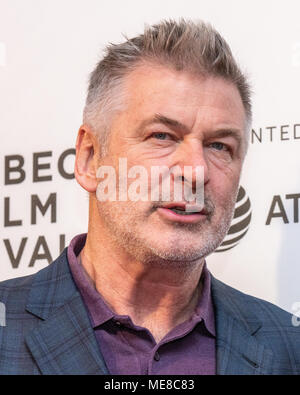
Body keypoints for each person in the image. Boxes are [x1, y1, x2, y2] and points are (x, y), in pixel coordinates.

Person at [0, 19, 299, 376]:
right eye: (162, 136)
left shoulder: (289, 348)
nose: (196, 170)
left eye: (219, 145)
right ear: (90, 158)